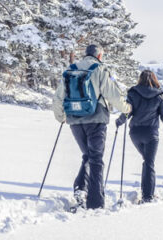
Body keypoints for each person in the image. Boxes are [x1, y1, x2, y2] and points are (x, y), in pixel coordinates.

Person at [52, 44, 131, 209]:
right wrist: (127, 108)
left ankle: (80, 189)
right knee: (95, 159)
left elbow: (59, 95)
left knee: (88, 155)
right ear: (99, 56)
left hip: (74, 120)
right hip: (96, 119)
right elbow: (113, 94)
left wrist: (61, 117)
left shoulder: (71, 69)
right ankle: (95, 203)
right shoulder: (100, 69)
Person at [115, 70, 163, 203]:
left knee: (147, 161)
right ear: (154, 79)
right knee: (149, 163)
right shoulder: (160, 96)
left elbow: (127, 112)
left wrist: (119, 121)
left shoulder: (133, 93)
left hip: (135, 133)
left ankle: (146, 191)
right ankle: (148, 196)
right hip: (151, 134)